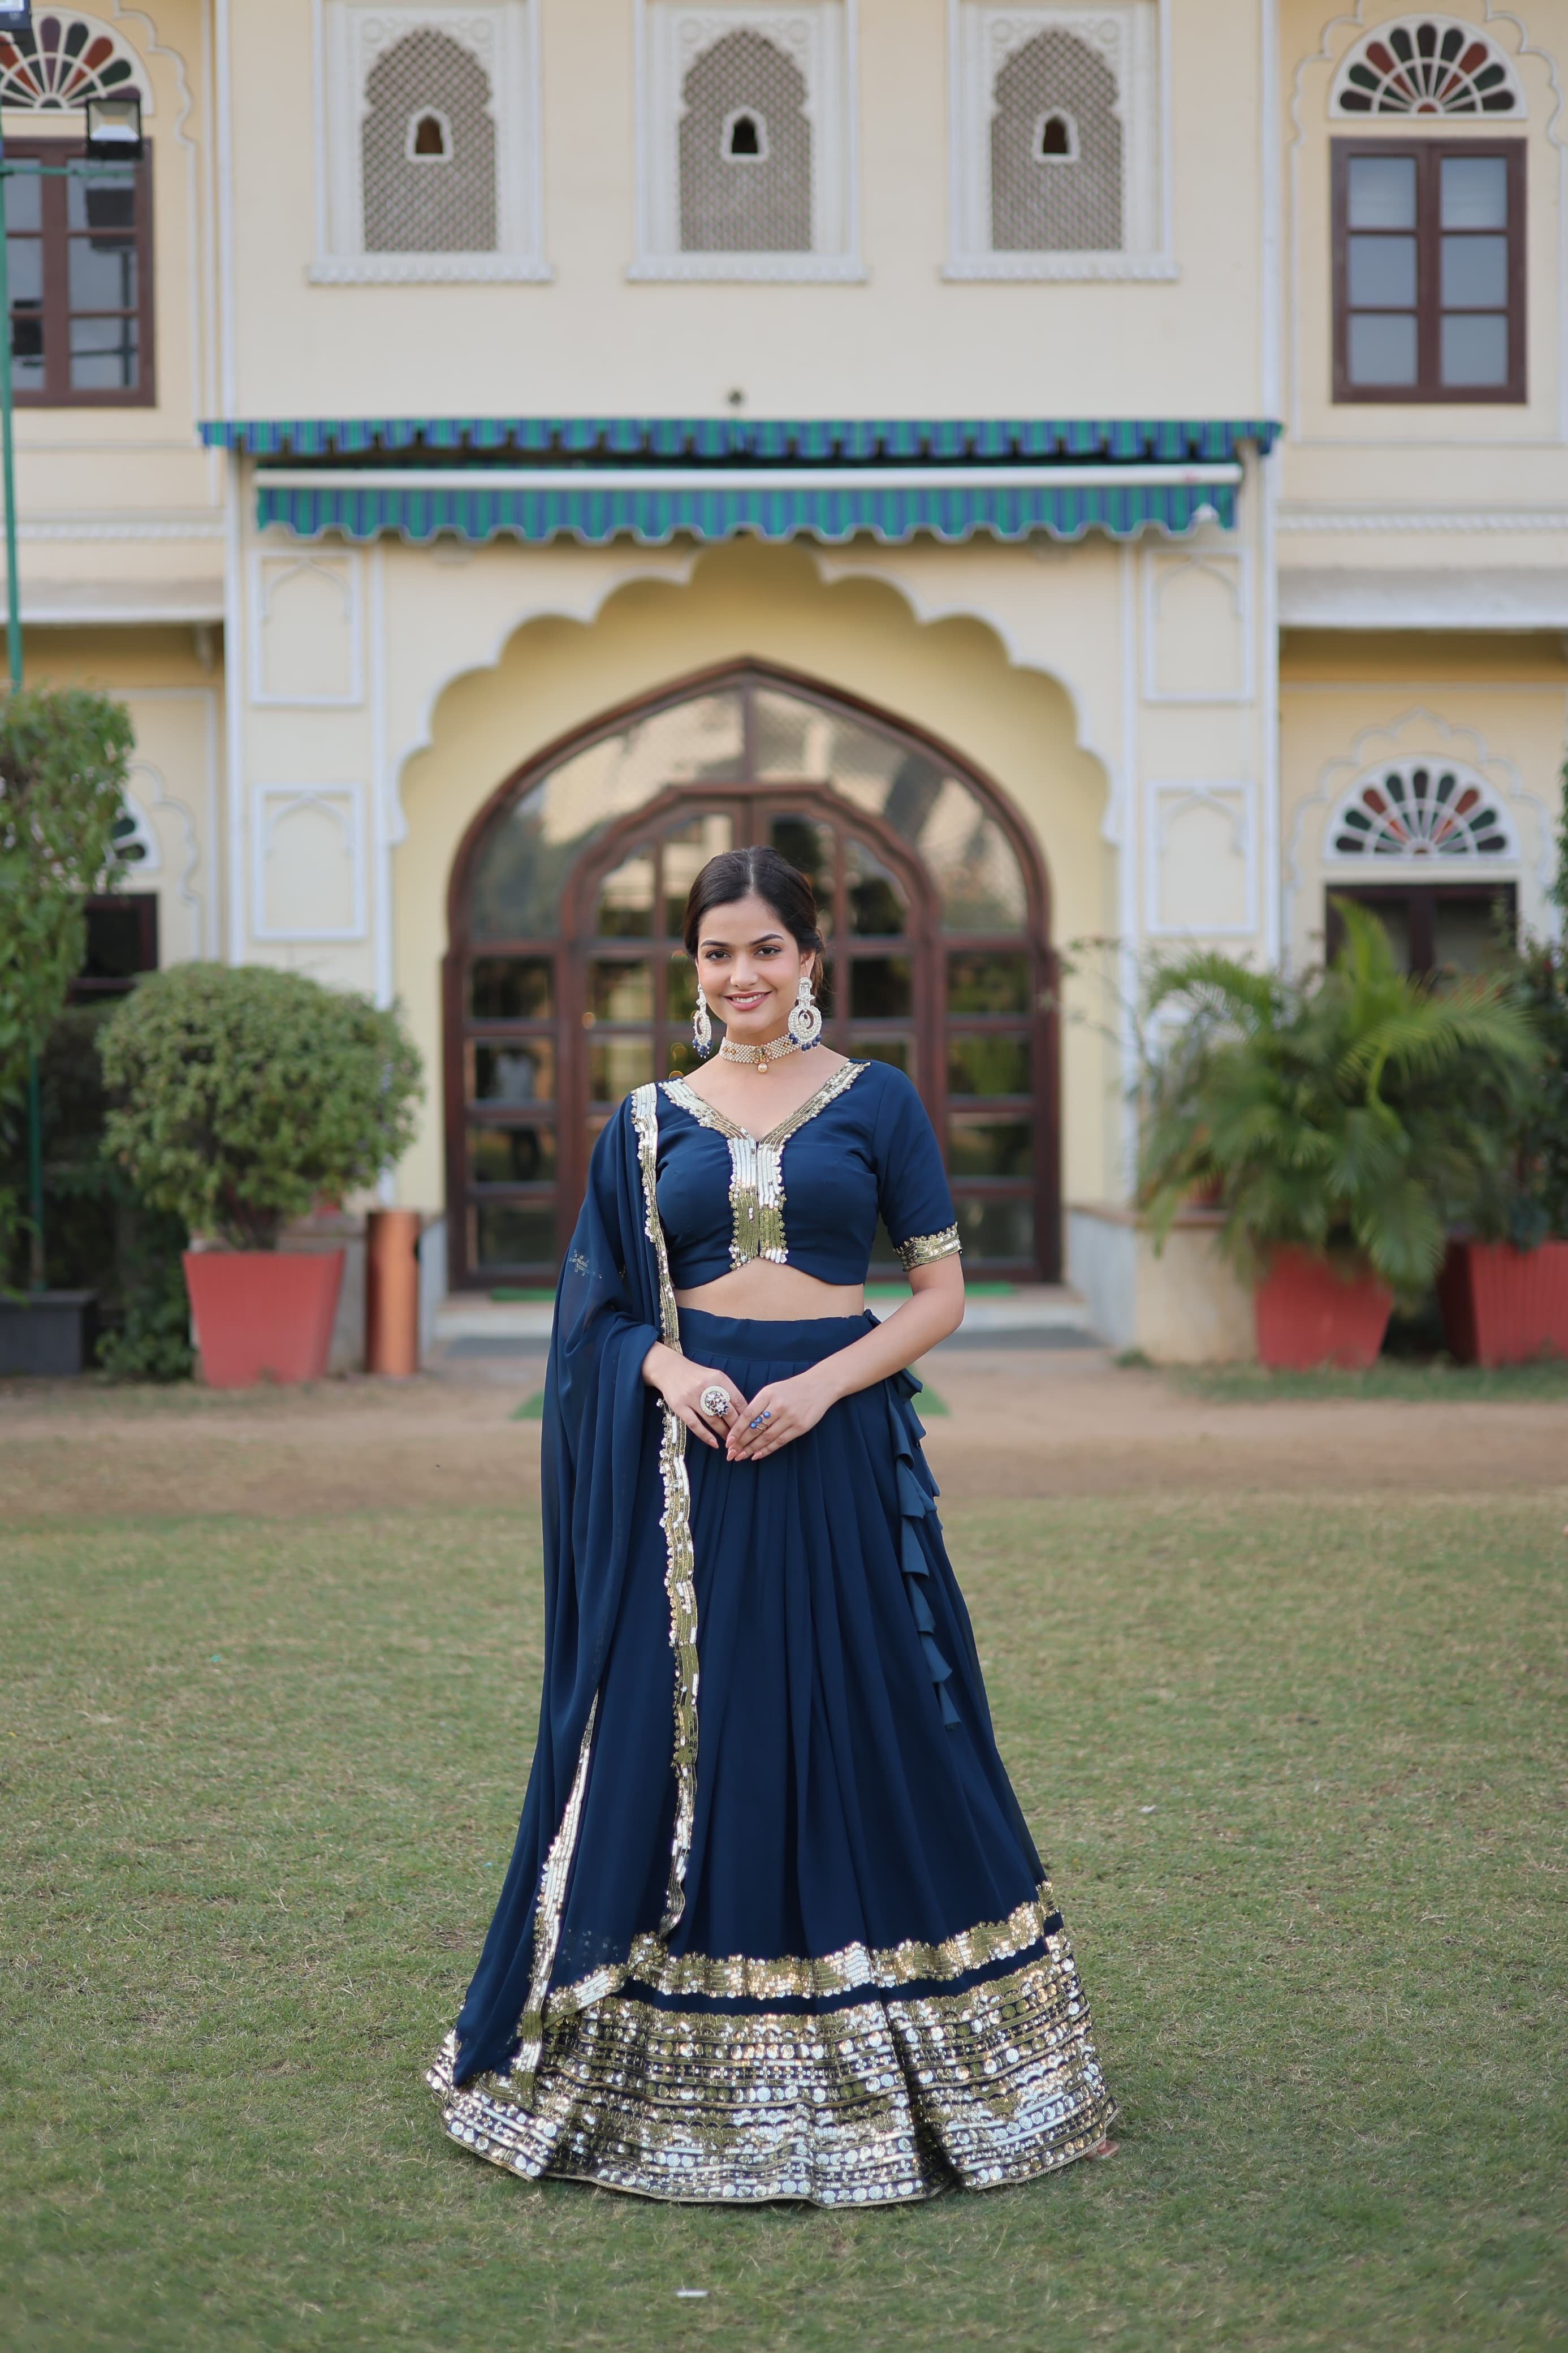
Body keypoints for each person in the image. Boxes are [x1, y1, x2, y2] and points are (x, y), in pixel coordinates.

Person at [428, 846, 1116, 2204]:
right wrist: (672, 1371)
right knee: (698, 1721)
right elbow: (601, 1308)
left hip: (836, 1442)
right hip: (693, 1469)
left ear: (809, 958)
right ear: (691, 969)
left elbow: (938, 1295)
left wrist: (817, 1387)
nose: (740, 975)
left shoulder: (879, 1103)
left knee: (875, 1712)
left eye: (764, 948)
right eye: (714, 952)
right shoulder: (646, 1122)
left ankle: (918, 2036)